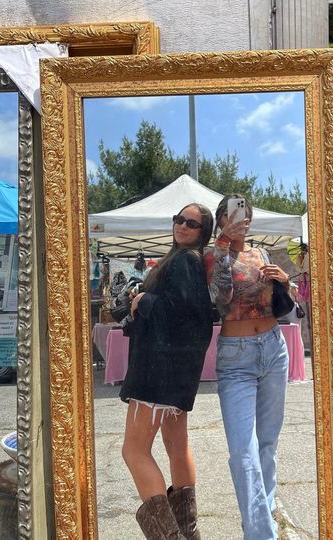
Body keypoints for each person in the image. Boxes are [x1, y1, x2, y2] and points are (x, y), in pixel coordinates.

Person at [120, 203, 214, 540]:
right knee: (176, 444)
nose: (182, 226)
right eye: (178, 219)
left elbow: (178, 313)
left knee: (133, 450)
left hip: (159, 370)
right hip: (175, 369)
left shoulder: (185, 261)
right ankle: (187, 533)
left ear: (203, 232)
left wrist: (142, 300)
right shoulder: (189, 262)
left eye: (191, 223)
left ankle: (173, 537)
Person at [204, 194, 290, 540]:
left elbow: (281, 299)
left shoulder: (262, 253)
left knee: (268, 441)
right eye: (234, 212)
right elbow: (220, 298)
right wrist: (223, 242)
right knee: (243, 450)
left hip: (274, 347)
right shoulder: (212, 255)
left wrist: (285, 281)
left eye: (246, 213)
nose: (243, 218)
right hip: (236, 356)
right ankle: (261, 533)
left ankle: (263, 513)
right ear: (222, 218)